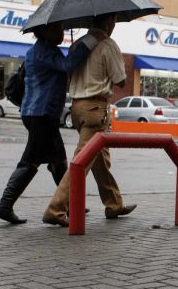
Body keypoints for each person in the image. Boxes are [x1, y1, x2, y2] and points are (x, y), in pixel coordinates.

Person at [0, 23, 101, 224]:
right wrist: (90, 41)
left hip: (43, 113)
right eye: (56, 29)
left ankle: (67, 204)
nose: (61, 32)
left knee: (58, 160)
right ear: (44, 32)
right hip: (40, 113)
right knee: (31, 161)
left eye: (61, 28)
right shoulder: (42, 51)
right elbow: (67, 66)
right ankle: (4, 206)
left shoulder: (47, 49)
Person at [43, 14, 137, 227]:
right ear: (107, 23)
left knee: (99, 158)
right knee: (82, 161)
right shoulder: (108, 45)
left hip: (77, 107)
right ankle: (55, 209)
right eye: (113, 22)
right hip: (96, 107)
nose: (113, 26)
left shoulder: (77, 45)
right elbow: (120, 80)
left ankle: (114, 204)